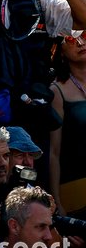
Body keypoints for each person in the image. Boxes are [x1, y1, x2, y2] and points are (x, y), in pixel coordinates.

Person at [50, 32, 86, 217]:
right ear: (60, 51)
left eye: (85, 35)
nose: (80, 42)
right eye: (71, 39)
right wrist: (56, 201)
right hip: (76, 188)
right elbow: (54, 152)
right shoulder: (57, 90)